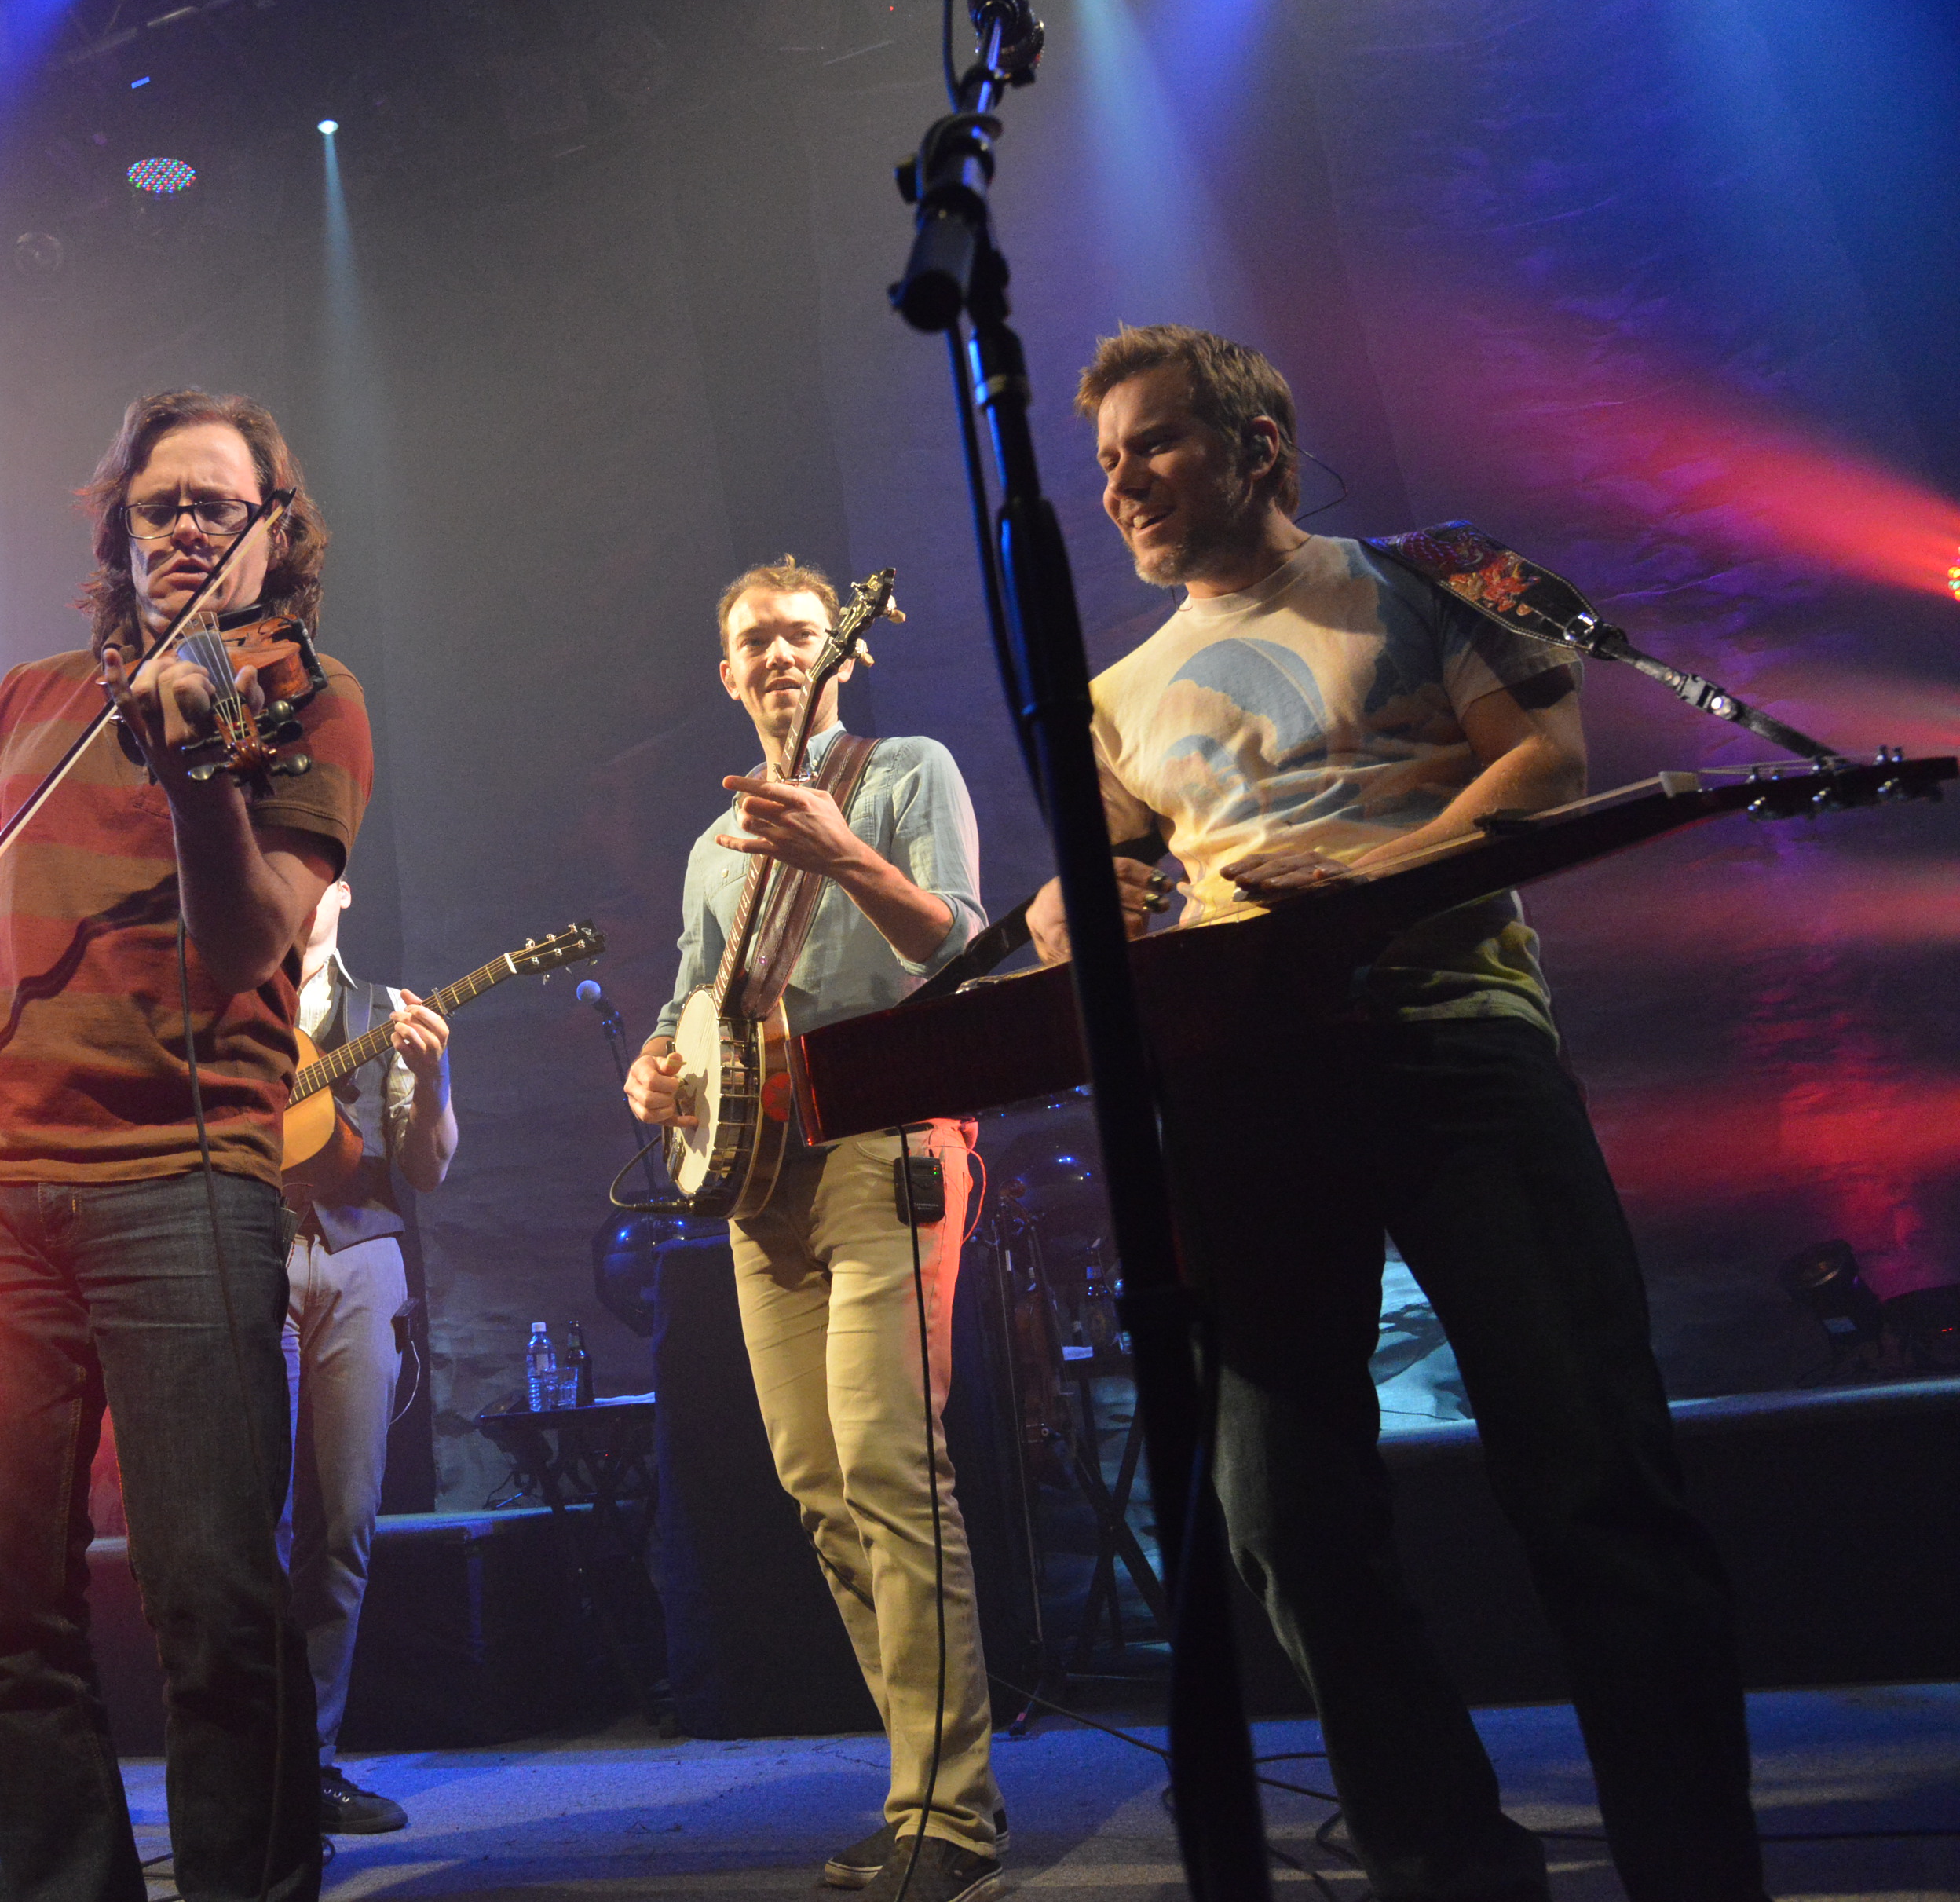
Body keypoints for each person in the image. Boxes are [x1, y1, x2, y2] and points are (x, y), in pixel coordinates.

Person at [1031, 324, 1766, 1902]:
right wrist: (1064, 912)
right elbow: (1087, 882)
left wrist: (1365, 880)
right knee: (1279, 1513)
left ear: (1256, 444)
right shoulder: (1116, 694)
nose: (1121, 482)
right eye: (1104, 460)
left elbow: (1545, 762)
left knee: (1591, 1479)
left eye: (1152, 443)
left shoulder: (1422, 576)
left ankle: (1697, 1875)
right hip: (1246, 1083)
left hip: (1450, 1033)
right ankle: (1447, 1865)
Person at [0, 390, 368, 1902]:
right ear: (118, 527)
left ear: (269, 540)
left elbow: (247, 946)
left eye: (216, 507)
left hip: (186, 1182)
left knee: (217, 1599)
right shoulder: (36, 698)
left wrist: (197, 784)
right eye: (157, 503)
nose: (183, 527)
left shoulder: (306, 705)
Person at [624, 559, 1007, 1902]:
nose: (780, 653)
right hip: (758, 1178)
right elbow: (691, 1005)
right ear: (726, 675)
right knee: (814, 1480)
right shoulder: (709, 845)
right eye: (753, 640)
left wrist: (838, 848)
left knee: (892, 1466)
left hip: (888, 1147)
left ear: (842, 649)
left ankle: (949, 1812)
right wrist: (655, 1073)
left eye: (799, 632)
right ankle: (919, 1785)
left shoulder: (906, 770)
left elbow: (959, 949)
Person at [280, 875, 454, 1835]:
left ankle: (312, 1762)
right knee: (244, 1527)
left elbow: (423, 1164)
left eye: (316, 874)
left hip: (358, 1256)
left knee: (342, 1521)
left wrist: (431, 1078)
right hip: (247, 1252)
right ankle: (245, 1764)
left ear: (342, 893)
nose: (298, 888)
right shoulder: (218, 999)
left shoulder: (383, 1007)